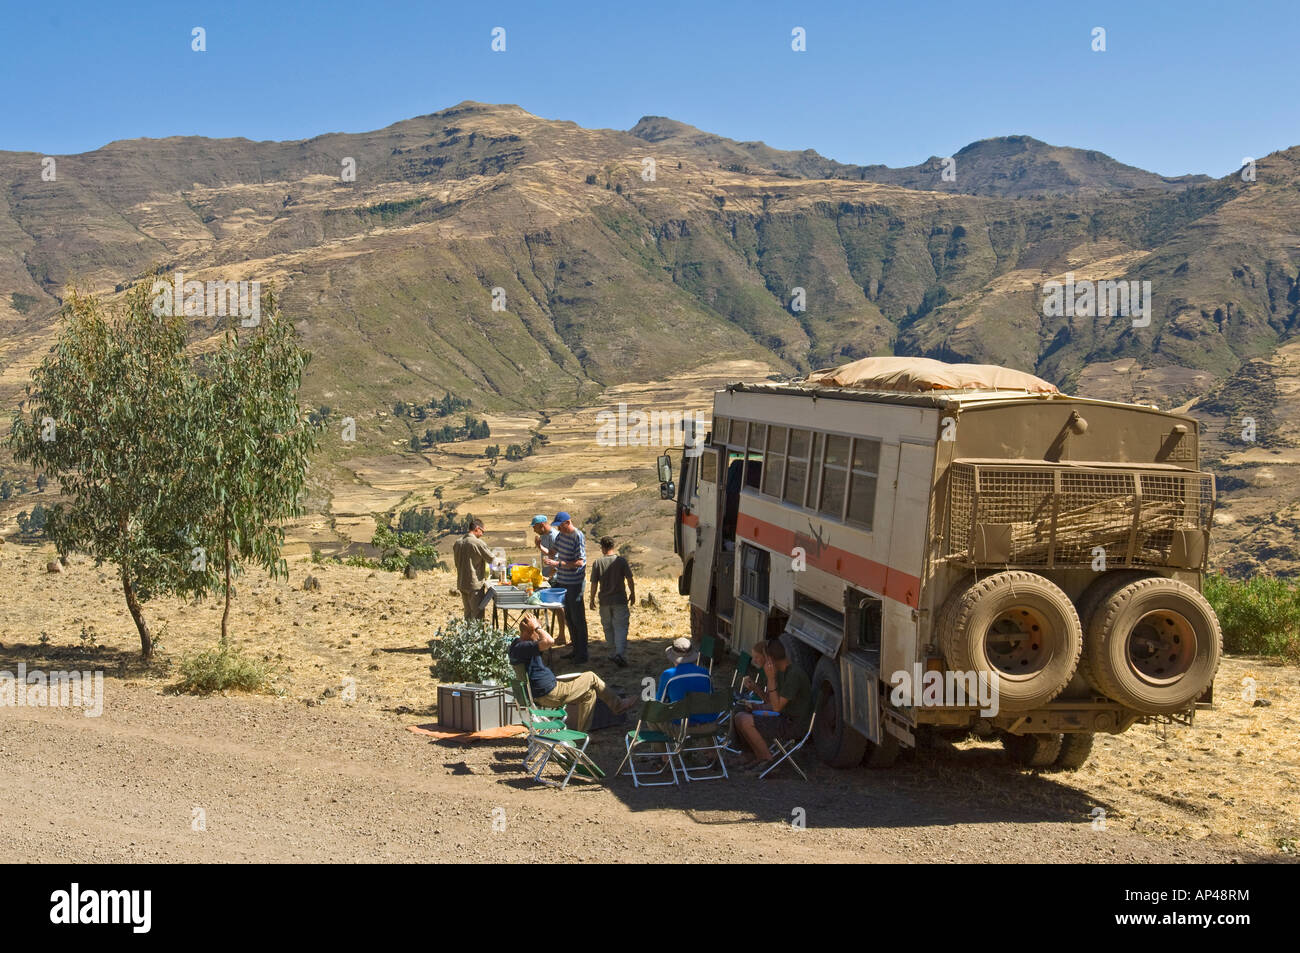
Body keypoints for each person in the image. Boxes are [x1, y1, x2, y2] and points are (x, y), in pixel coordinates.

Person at [508, 612, 636, 731]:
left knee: (589, 695)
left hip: (543, 691)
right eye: (537, 634)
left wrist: (535, 629)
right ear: (529, 632)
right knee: (591, 677)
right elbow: (549, 641)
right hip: (549, 693)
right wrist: (537, 628)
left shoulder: (516, 645)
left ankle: (583, 734)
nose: (539, 637)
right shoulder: (524, 647)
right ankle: (618, 705)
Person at [733, 639, 813, 772]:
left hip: (793, 724)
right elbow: (773, 702)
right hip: (784, 717)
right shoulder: (783, 672)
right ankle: (756, 755)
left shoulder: (793, 675)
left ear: (769, 659)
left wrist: (770, 679)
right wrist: (756, 692)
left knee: (744, 720)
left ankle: (767, 761)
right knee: (740, 714)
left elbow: (776, 708)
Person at [545, 512, 589, 662]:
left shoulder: (577, 536)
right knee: (569, 617)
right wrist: (545, 553)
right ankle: (575, 649)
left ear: (568, 523)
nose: (559, 529)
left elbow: (580, 562)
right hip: (563, 582)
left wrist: (559, 564)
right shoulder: (560, 536)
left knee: (578, 618)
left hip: (575, 582)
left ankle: (582, 653)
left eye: (561, 526)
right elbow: (554, 551)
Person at [589, 536, 635, 666]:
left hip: (604, 601)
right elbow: (630, 579)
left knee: (608, 627)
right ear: (613, 546)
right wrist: (633, 593)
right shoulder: (621, 561)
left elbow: (594, 584)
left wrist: (591, 599)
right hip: (619, 600)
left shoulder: (597, 563)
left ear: (602, 548)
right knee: (620, 627)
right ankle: (620, 654)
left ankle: (612, 653)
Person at [656, 637, 715, 726]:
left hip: (680, 726)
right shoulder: (705, 673)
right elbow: (711, 699)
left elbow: (659, 703)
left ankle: (665, 738)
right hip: (706, 725)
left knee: (652, 720)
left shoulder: (668, 675)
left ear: (673, 657)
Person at [452, 518, 493, 620]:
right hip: (474, 585)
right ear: (477, 529)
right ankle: (477, 636)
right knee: (477, 615)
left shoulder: (458, 543)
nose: (482, 534)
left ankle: (468, 635)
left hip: (462, 583)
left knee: (468, 613)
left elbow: (457, 563)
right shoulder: (477, 543)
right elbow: (491, 559)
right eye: (482, 531)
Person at [530, 515, 559, 582]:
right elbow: (549, 553)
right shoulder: (543, 535)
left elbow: (556, 559)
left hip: (554, 579)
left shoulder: (554, 536)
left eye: (534, 527)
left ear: (541, 525)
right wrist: (539, 546)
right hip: (546, 576)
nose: (534, 530)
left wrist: (550, 577)